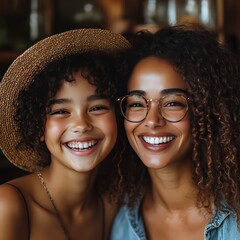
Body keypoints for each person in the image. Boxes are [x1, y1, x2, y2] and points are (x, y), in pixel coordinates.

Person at [110, 24, 240, 239]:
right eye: (136, 104)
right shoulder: (119, 220)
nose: (152, 121)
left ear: (205, 111)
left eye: (172, 103)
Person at [0, 28, 130, 240]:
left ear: (117, 117)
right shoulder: (10, 205)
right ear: (38, 126)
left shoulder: (115, 205)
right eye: (61, 111)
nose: (81, 124)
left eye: (97, 108)